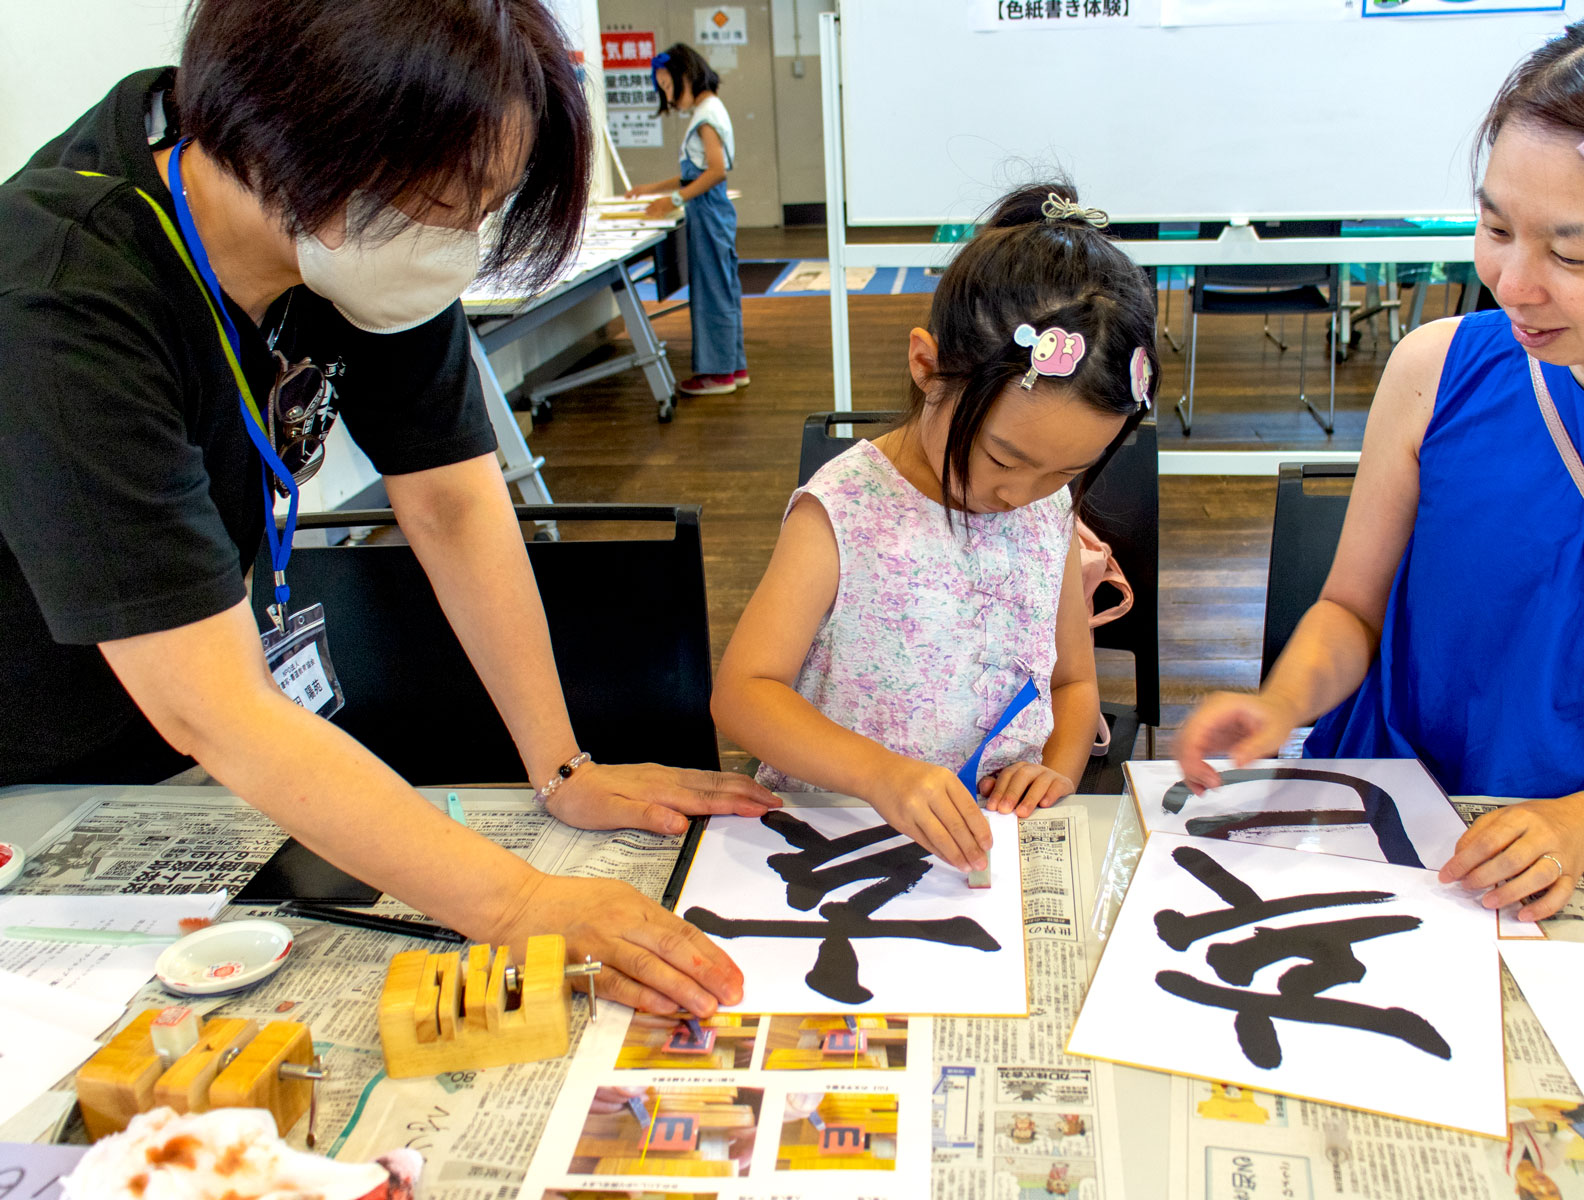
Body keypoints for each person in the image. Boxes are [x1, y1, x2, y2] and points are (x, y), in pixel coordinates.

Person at [0, 0, 779, 1015]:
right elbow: (210, 703)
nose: (463, 239)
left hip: (182, 761)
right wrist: (516, 903)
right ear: (302, 135)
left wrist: (562, 766)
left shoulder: (350, 238)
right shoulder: (63, 293)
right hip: (32, 766)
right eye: (453, 201)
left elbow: (456, 501)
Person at [1175, 0, 1584, 922]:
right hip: (1394, 848)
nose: (1512, 283)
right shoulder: (1439, 371)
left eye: (1573, 253)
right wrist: (1282, 701)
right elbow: (1352, 610)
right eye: (1498, 228)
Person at [712, 183, 1159, 871]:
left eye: (1065, 471)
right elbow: (744, 695)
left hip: (989, 852)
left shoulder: (1047, 512)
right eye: (1005, 458)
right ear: (927, 367)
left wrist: (1059, 771)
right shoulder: (843, 511)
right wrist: (882, 775)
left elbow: (1071, 686)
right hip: (840, 840)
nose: (1023, 495)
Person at [624, 43, 746, 397]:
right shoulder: (711, 109)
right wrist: (652, 190)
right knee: (722, 289)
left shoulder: (706, 116)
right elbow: (693, 175)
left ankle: (718, 374)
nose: (667, 95)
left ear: (685, 76)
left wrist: (672, 200)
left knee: (711, 292)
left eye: (666, 85)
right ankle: (732, 367)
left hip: (707, 214)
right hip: (711, 213)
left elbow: (716, 172)